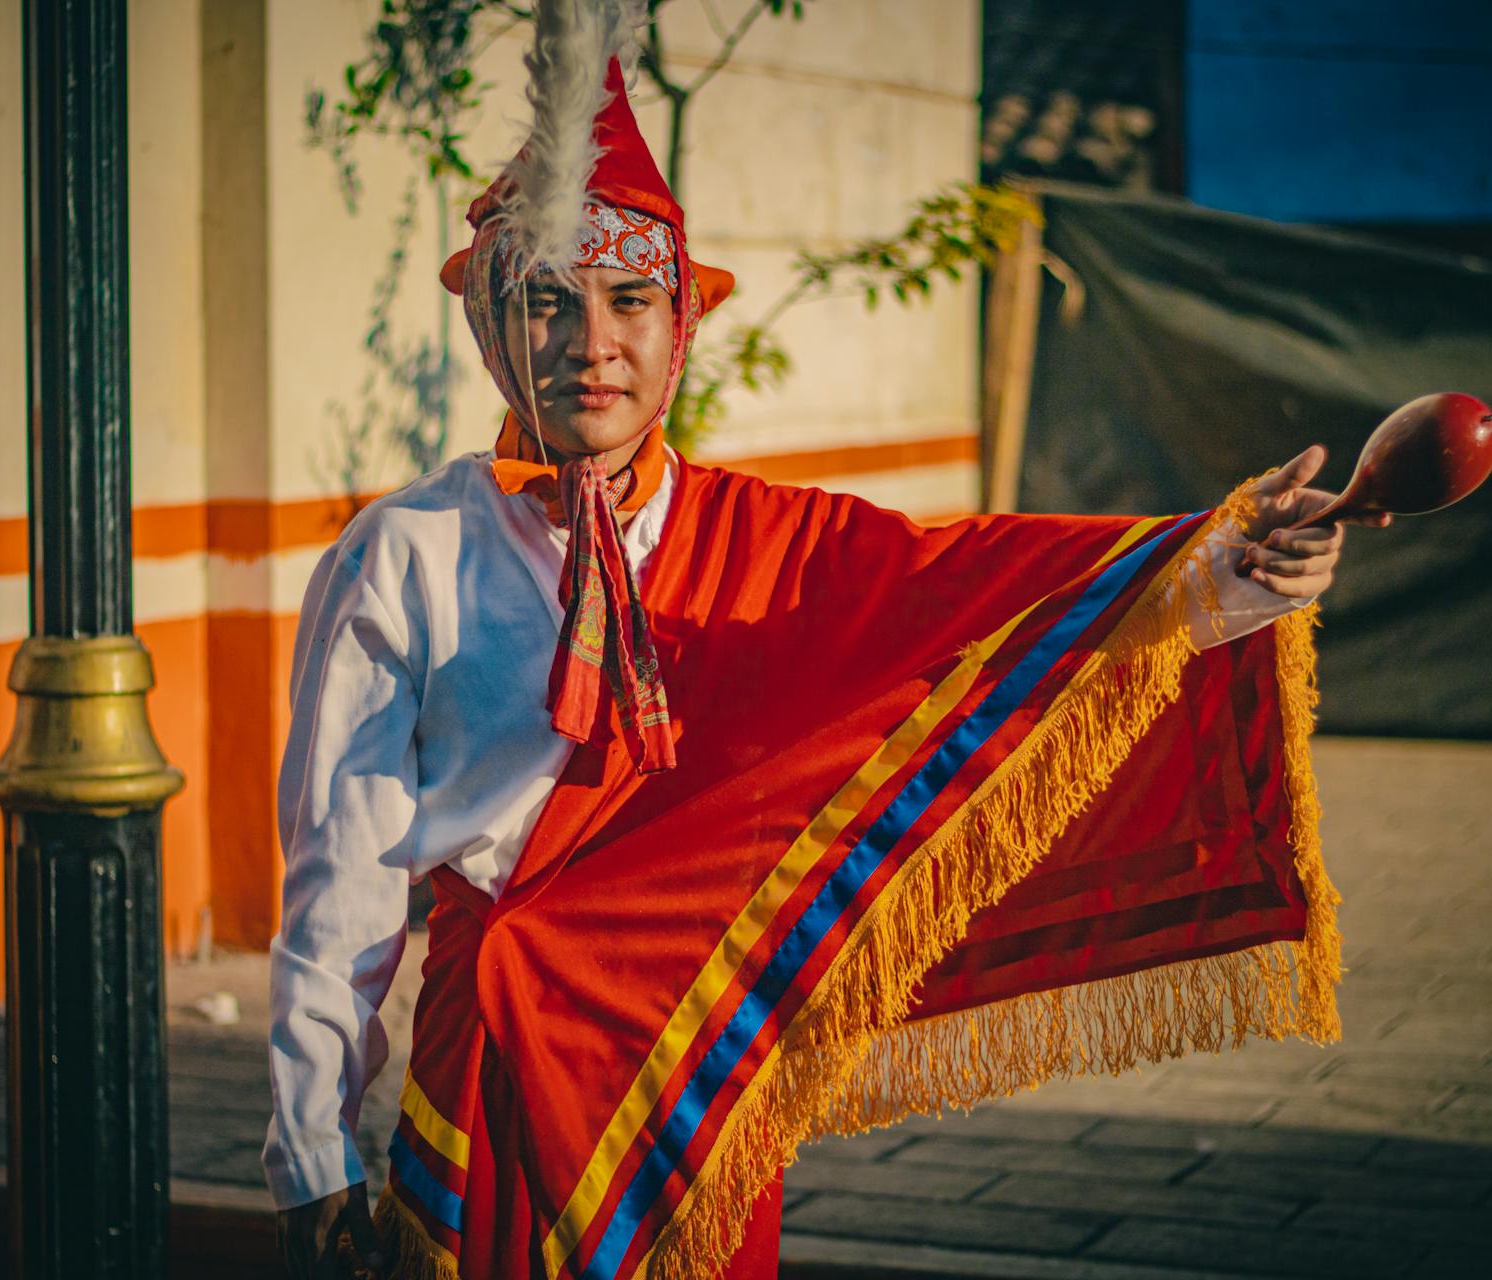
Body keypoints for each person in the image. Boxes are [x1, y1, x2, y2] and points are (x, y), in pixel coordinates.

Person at [264, 61, 1379, 1280]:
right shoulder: (403, 554)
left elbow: (976, 590)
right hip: (481, 1077)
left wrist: (1226, 561)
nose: (593, 344)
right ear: (489, 326)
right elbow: (345, 878)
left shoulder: (781, 549)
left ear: (681, 322)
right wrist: (312, 1144)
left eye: (631, 299)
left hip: (695, 1073)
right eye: (547, 301)